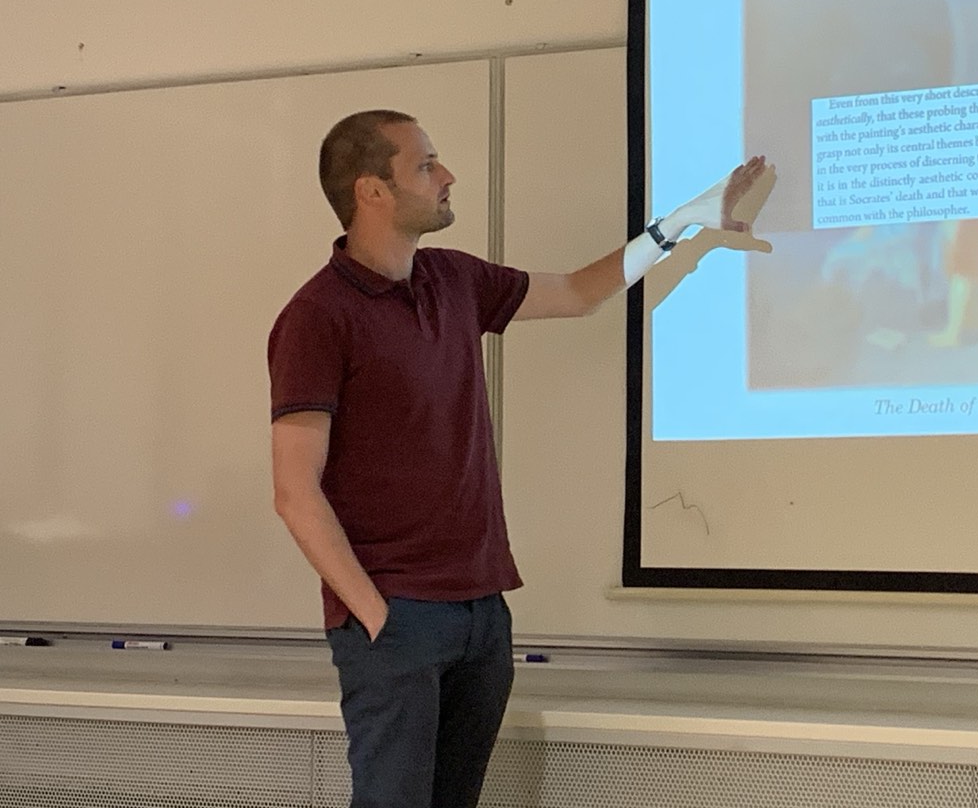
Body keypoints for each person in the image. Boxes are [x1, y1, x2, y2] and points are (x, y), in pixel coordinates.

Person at [268, 109, 768, 808]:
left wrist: (679, 223)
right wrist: (377, 616)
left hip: (481, 613)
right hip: (398, 618)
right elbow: (295, 491)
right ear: (371, 191)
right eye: (425, 165)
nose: (447, 176)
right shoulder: (318, 316)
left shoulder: (453, 279)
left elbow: (579, 292)